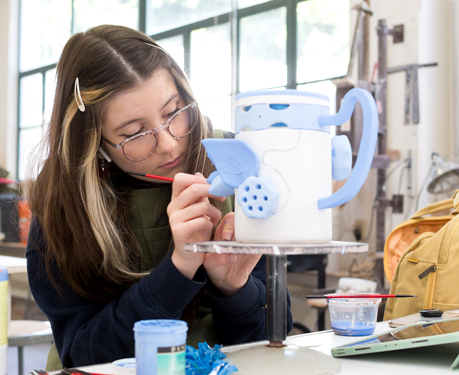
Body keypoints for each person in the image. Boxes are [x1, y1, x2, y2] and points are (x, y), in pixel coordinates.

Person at [24, 24, 292, 370]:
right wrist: (180, 267)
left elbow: (276, 333)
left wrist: (234, 288)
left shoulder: (235, 159)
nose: (168, 144)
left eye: (174, 113)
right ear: (94, 144)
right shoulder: (64, 201)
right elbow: (85, 353)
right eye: (135, 133)